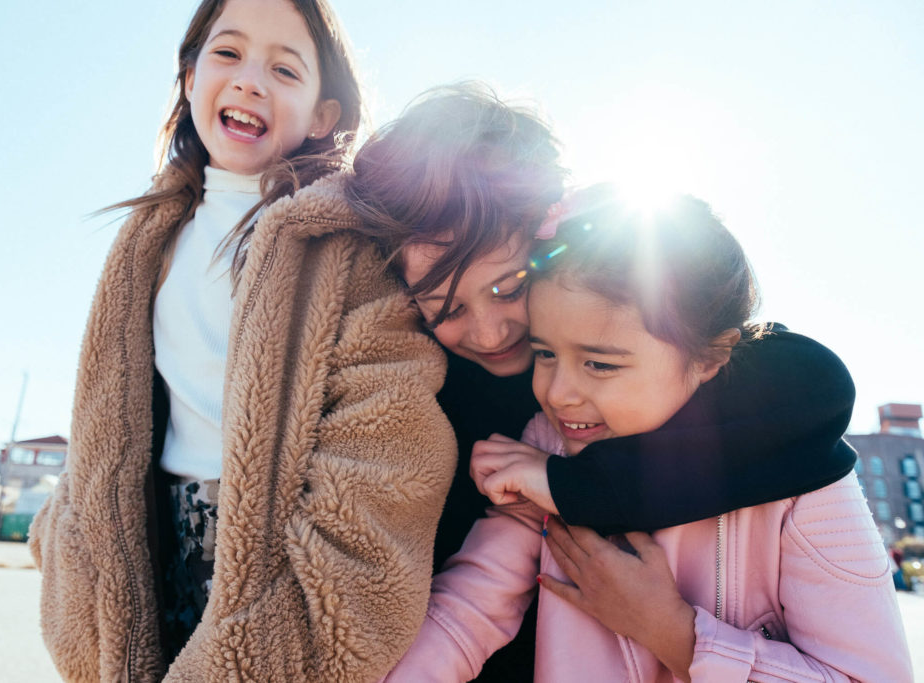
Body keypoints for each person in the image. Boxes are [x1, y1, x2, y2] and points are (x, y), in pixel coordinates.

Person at [345, 84, 859, 682]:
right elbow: (467, 612)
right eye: (446, 310)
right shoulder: (513, 425)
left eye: (509, 289)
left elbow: (813, 388)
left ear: (550, 244)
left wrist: (665, 622)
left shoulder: (783, 449)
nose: (487, 334)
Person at [27, 1, 457, 680]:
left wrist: (311, 603)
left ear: (324, 115)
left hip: (269, 564)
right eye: (227, 54)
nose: (250, 79)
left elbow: (386, 437)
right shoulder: (147, 240)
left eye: (285, 68)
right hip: (150, 550)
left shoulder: (342, 248)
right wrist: (69, 547)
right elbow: (104, 427)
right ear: (191, 77)